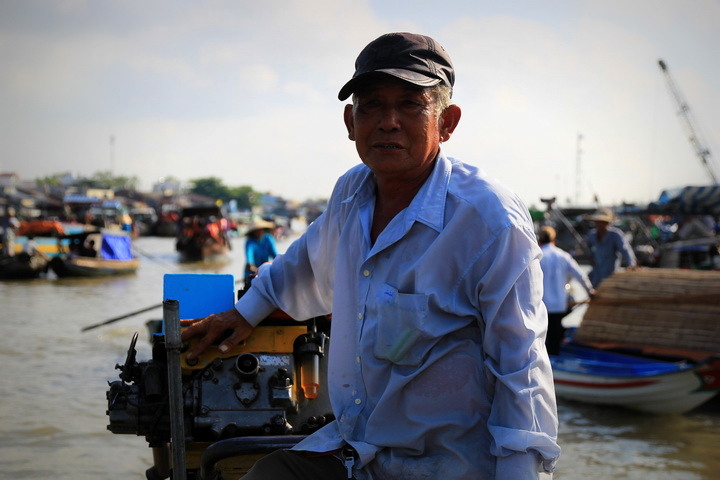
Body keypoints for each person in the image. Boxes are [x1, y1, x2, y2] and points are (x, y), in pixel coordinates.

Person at [181, 32, 559, 480]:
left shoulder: (488, 218)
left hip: (446, 466)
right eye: (372, 105)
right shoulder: (351, 193)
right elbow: (304, 265)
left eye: (410, 105)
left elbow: (521, 365)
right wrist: (244, 314)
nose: (388, 122)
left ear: (447, 121)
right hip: (354, 450)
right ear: (350, 121)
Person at [538, 226, 595, 355]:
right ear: (554, 239)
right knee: (555, 335)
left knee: (543, 336)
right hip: (559, 305)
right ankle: (554, 355)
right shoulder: (563, 256)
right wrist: (590, 291)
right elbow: (580, 275)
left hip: (542, 306)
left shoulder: (537, 256)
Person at [586, 208, 637, 287]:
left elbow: (626, 250)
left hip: (611, 275)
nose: (598, 224)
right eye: (597, 222)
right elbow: (588, 248)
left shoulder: (615, 235)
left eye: (601, 222)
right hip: (597, 275)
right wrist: (591, 258)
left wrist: (631, 265)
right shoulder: (592, 235)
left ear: (607, 223)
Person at [243, 218, 278, 286]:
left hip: (265, 272)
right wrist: (252, 265)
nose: (259, 232)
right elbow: (249, 259)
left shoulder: (268, 238)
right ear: (253, 231)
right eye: (257, 230)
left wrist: (278, 265)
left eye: (260, 229)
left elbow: (275, 255)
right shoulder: (250, 241)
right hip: (252, 273)